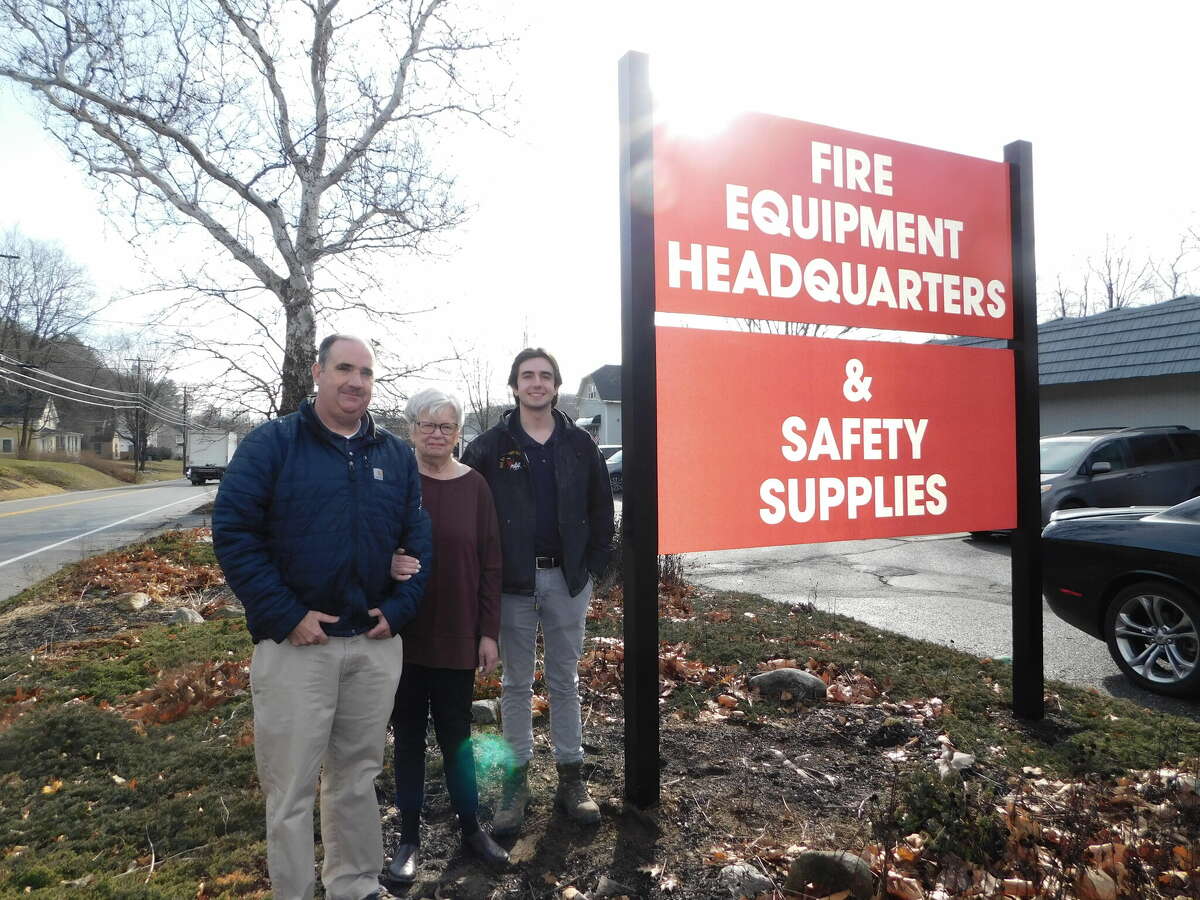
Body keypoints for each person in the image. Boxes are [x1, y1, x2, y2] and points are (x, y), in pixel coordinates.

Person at [213, 334, 432, 900]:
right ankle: (294, 891)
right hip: (296, 649)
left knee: (357, 778)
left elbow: (419, 543)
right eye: (343, 368)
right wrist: (286, 615)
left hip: (374, 645)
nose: (355, 381)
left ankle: (354, 885)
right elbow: (235, 534)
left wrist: (400, 610)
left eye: (365, 372)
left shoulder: (393, 454)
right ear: (317, 372)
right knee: (290, 790)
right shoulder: (273, 445)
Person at [460, 347, 615, 836]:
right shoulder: (489, 447)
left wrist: (590, 568)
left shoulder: (579, 444)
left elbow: (602, 508)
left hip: (566, 581)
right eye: (528, 376)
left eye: (545, 376)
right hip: (511, 584)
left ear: (555, 385)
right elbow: (467, 515)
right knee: (515, 684)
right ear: (515, 385)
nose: (537, 383)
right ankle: (516, 784)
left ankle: (572, 778)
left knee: (566, 680)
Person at [385, 389, 508, 883]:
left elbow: (491, 563)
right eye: (427, 425)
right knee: (410, 739)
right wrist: (384, 562)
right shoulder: (396, 482)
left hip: (459, 633)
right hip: (403, 635)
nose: (437, 434)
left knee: (458, 738)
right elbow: (369, 542)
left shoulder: (475, 486)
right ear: (411, 429)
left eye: (447, 427)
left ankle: (471, 829)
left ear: (459, 434)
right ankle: (408, 838)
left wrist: (489, 632)